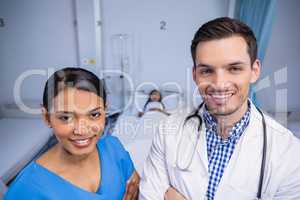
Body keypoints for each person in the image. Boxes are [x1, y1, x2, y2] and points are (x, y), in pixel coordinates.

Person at [139, 17, 300, 199]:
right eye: (207, 71)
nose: (219, 84)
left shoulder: (290, 155)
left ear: (254, 71)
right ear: (195, 74)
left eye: (234, 69)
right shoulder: (167, 132)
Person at [4, 67, 139, 199]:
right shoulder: (27, 189)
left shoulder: (114, 148)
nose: (82, 130)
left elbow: (135, 184)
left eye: (94, 114)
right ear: (47, 117)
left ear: (105, 111)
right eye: (66, 117)